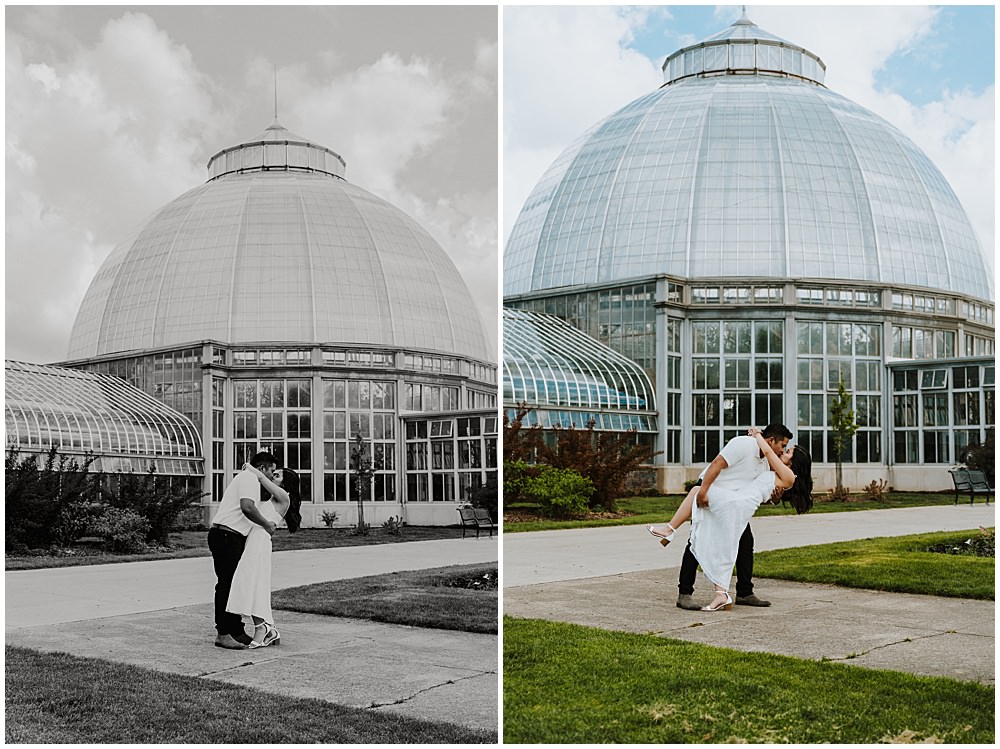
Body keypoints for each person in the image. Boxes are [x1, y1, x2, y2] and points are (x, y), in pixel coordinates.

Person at [648, 427, 813, 611]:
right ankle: (685, 593)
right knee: (698, 538)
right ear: (771, 441)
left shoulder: (769, 462)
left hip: (733, 501)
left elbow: (765, 488)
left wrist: (775, 497)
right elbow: (717, 464)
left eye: (787, 450)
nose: (783, 451)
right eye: (783, 446)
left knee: (743, 544)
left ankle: (742, 592)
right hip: (711, 491)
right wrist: (703, 492)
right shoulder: (743, 445)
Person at [208, 451, 279, 649]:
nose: (272, 476)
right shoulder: (249, 478)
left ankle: (236, 631)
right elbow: (247, 507)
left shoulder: (249, 479)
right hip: (226, 536)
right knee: (226, 585)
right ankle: (223, 634)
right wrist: (266, 524)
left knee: (234, 585)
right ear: (262, 468)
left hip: (231, 536)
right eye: (271, 471)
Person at [226, 464, 302, 648]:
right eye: (274, 473)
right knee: (250, 583)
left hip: (259, 543)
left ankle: (262, 628)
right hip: (252, 541)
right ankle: (266, 628)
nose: (273, 476)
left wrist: (249, 467)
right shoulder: (271, 499)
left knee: (253, 584)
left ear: (286, 483)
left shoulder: (284, 497)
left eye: (278, 475)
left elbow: (261, 478)